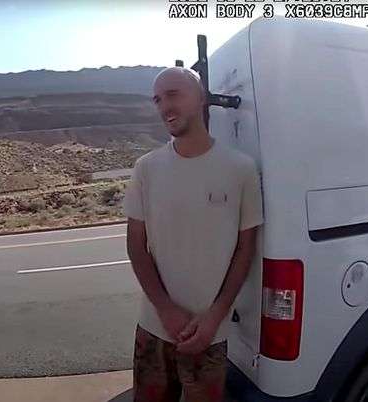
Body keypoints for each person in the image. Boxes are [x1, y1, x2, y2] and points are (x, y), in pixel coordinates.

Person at [123, 67, 263, 402]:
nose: (164, 107)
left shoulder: (240, 168)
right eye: (158, 99)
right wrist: (165, 309)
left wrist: (216, 315)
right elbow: (136, 246)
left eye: (173, 94)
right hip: (153, 328)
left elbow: (245, 249)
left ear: (200, 97)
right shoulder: (147, 168)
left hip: (210, 333)